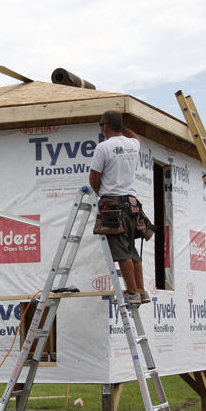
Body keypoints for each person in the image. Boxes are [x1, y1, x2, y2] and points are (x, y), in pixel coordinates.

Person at [89, 110, 151, 306]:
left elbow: (94, 179)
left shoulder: (103, 148)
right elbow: (135, 137)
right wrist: (124, 124)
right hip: (132, 205)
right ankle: (141, 291)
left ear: (105, 126)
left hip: (113, 206)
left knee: (122, 252)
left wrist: (102, 195)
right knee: (132, 251)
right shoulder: (132, 144)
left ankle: (132, 293)